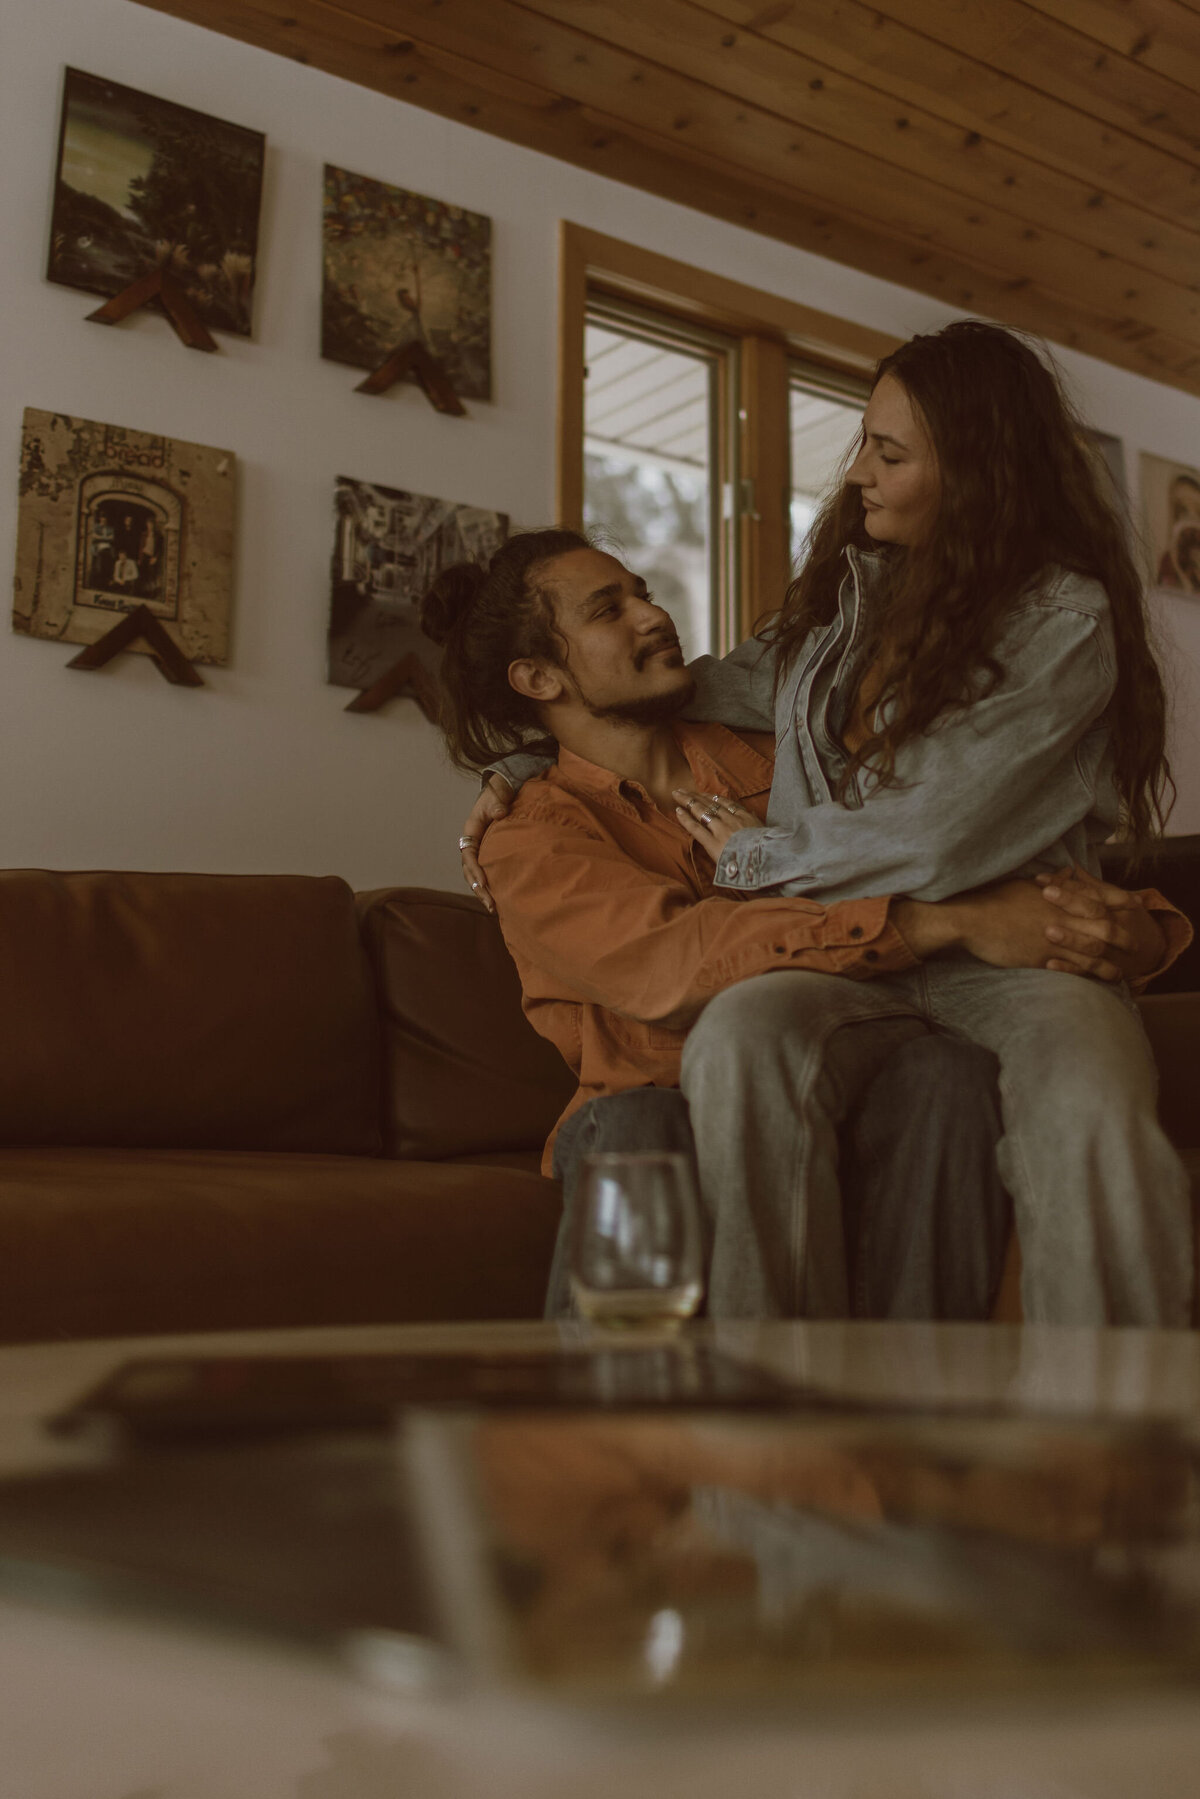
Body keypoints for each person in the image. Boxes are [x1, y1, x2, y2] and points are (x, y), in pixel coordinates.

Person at [461, 322, 1194, 1326]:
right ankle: (771, 1386)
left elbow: (936, 828)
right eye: (865, 446)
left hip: (1002, 966)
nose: (857, 474)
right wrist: (525, 755)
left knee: (1079, 1101)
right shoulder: (840, 609)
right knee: (727, 1048)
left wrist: (757, 853)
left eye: (889, 453)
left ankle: (1109, 1408)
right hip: (832, 985)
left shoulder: (1059, 623)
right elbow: (679, 923)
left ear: (976, 473)